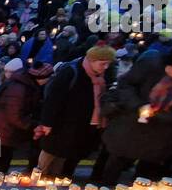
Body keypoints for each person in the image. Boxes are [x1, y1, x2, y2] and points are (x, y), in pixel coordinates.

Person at [98, 45, 172, 184]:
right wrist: (138, 105)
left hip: (162, 132)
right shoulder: (151, 64)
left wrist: (162, 116)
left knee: (147, 168)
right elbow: (126, 84)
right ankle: (105, 188)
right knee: (118, 159)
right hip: (130, 123)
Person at [34, 45, 115, 178]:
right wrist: (47, 123)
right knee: (50, 154)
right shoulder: (71, 71)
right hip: (61, 124)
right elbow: (53, 99)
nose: (105, 67)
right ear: (92, 60)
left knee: (63, 156)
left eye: (108, 64)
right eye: (103, 64)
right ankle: (39, 181)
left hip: (81, 126)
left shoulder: (101, 77)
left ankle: (54, 182)